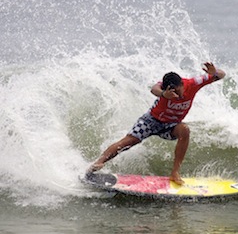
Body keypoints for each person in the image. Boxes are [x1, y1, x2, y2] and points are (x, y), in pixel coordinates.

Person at [89, 62, 226, 185]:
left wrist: (214, 72)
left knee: (184, 130)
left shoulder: (192, 83)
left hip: (171, 125)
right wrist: (163, 94)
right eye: (173, 92)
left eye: (178, 91)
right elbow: (154, 89)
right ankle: (98, 163)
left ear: (182, 85)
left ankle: (175, 173)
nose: (177, 95)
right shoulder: (163, 89)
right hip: (151, 121)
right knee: (129, 141)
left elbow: (221, 75)